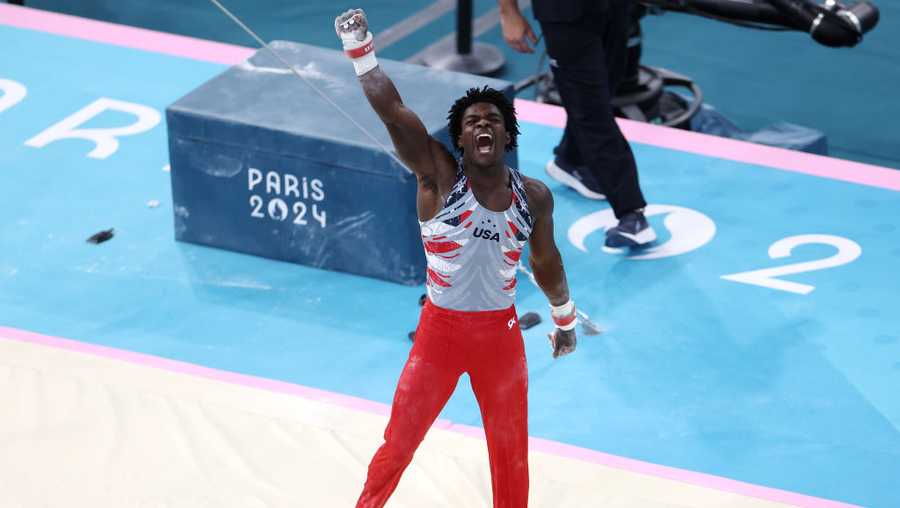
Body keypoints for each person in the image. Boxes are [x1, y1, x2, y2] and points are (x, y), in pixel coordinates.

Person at [335, 8, 579, 508]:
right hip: (439, 336)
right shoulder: (439, 177)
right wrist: (361, 51)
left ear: (508, 137)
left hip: (500, 338)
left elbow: (547, 262)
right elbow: (395, 114)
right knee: (399, 443)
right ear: (461, 139)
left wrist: (565, 319)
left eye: (493, 119)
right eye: (473, 122)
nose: (483, 125)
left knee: (510, 453)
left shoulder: (534, 197)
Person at [498, 0, 657, 248]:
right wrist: (509, 12)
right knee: (591, 109)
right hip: (566, 13)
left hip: (614, 7)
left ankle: (570, 159)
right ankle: (630, 212)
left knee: (605, 90)